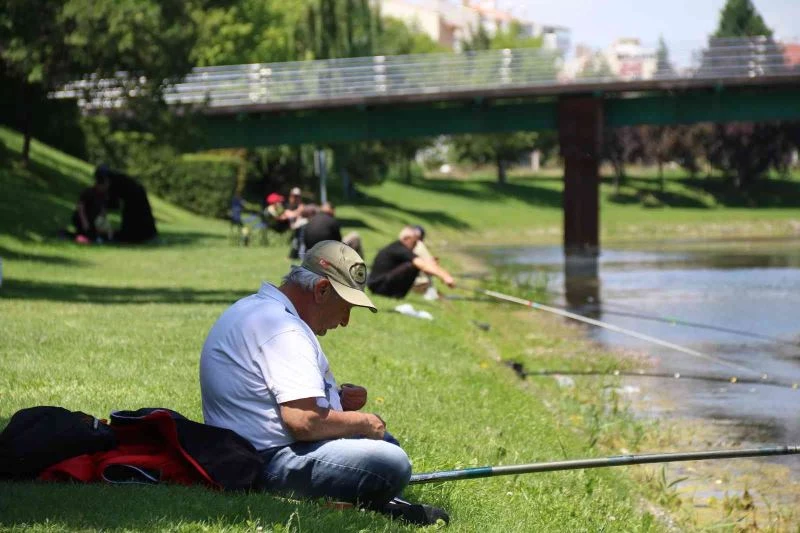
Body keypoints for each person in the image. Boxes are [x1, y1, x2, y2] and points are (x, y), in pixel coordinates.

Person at [199, 241, 447, 524]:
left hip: (246, 451)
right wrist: (364, 421)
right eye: (346, 308)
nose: (345, 321)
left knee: (385, 447)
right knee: (392, 462)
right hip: (266, 461)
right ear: (322, 289)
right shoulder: (283, 330)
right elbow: (303, 422)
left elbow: (271, 397)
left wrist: (337, 399)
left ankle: (370, 498)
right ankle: (373, 501)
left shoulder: (261, 311)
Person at [367, 226, 456, 299]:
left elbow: (424, 265)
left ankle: (397, 294)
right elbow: (422, 265)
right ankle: (395, 294)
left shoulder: (399, 248)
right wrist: (445, 276)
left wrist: (434, 267)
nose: (416, 245)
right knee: (413, 265)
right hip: (379, 287)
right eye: (414, 242)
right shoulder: (400, 249)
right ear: (407, 239)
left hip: (379, 285)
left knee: (415, 264)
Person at [70, 173, 111, 244]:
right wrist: (84, 221)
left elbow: (103, 211)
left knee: (104, 236)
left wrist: (103, 224)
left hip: (93, 221)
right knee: (85, 234)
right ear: (99, 184)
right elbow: (80, 207)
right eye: (105, 185)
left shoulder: (104, 195)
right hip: (82, 218)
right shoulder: (88, 192)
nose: (107, 187)